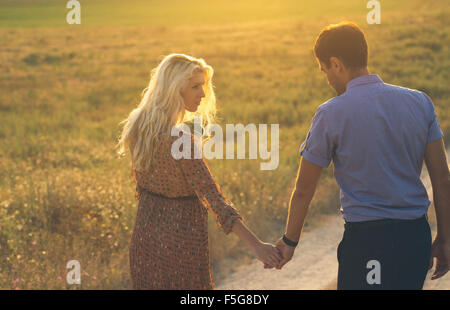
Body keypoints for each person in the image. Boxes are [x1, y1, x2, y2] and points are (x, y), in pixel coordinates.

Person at [272, 22, 450, 289]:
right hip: (415, 237)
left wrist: (289, 241)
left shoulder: (330, 113)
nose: (327, 79)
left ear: (336, 64)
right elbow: (442, 178)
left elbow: (304, 188)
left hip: (369, 241)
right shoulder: (419, 102)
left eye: (324, 71)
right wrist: (446, 238)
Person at [116, 53, 281, 289]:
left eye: (202, 86)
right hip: (181, 245)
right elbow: (213, 198)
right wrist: (257, 246)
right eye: (195, 87)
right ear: (175, 88)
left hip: (145, 241)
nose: (202, 94)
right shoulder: (180, 139)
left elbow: (141, 186)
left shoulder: (138, 126)